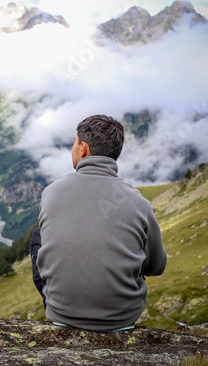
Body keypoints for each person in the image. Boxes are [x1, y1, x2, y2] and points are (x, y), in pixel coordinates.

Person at [30, 114, 167, 332]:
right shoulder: (138, 202)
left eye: (74, 144)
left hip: (61, 315)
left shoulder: (51, 192)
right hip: (121, 321)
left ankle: (63, 305)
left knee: (38, 236)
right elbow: (157, 267)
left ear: (82, 148)